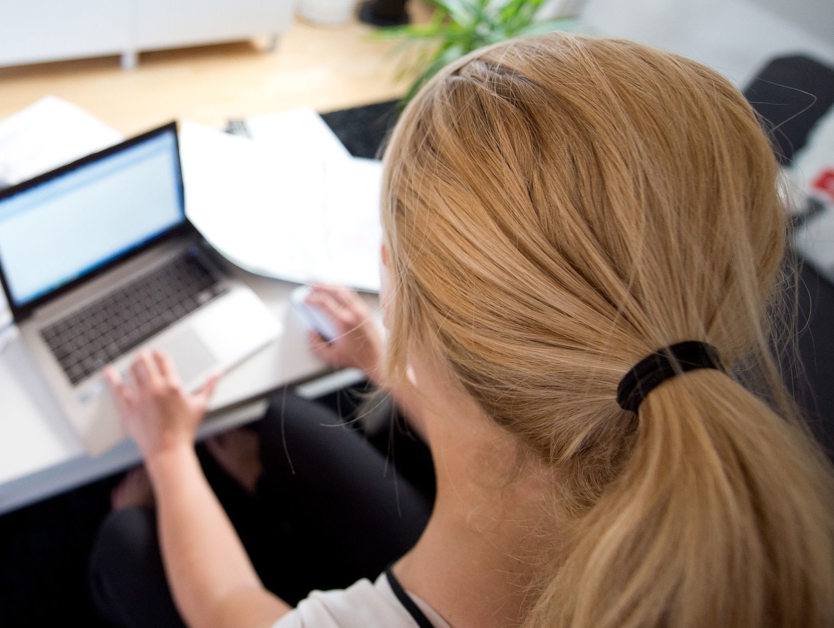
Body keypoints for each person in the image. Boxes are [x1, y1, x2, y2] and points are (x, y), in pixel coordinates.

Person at [88, 32, 834, 628]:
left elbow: (227, 608)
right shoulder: (686, 439)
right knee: (293, 425)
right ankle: (262, 482)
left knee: (126, 542)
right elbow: (519, 429)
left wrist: (168, 452)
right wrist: (383, 362)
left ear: (393, 285)